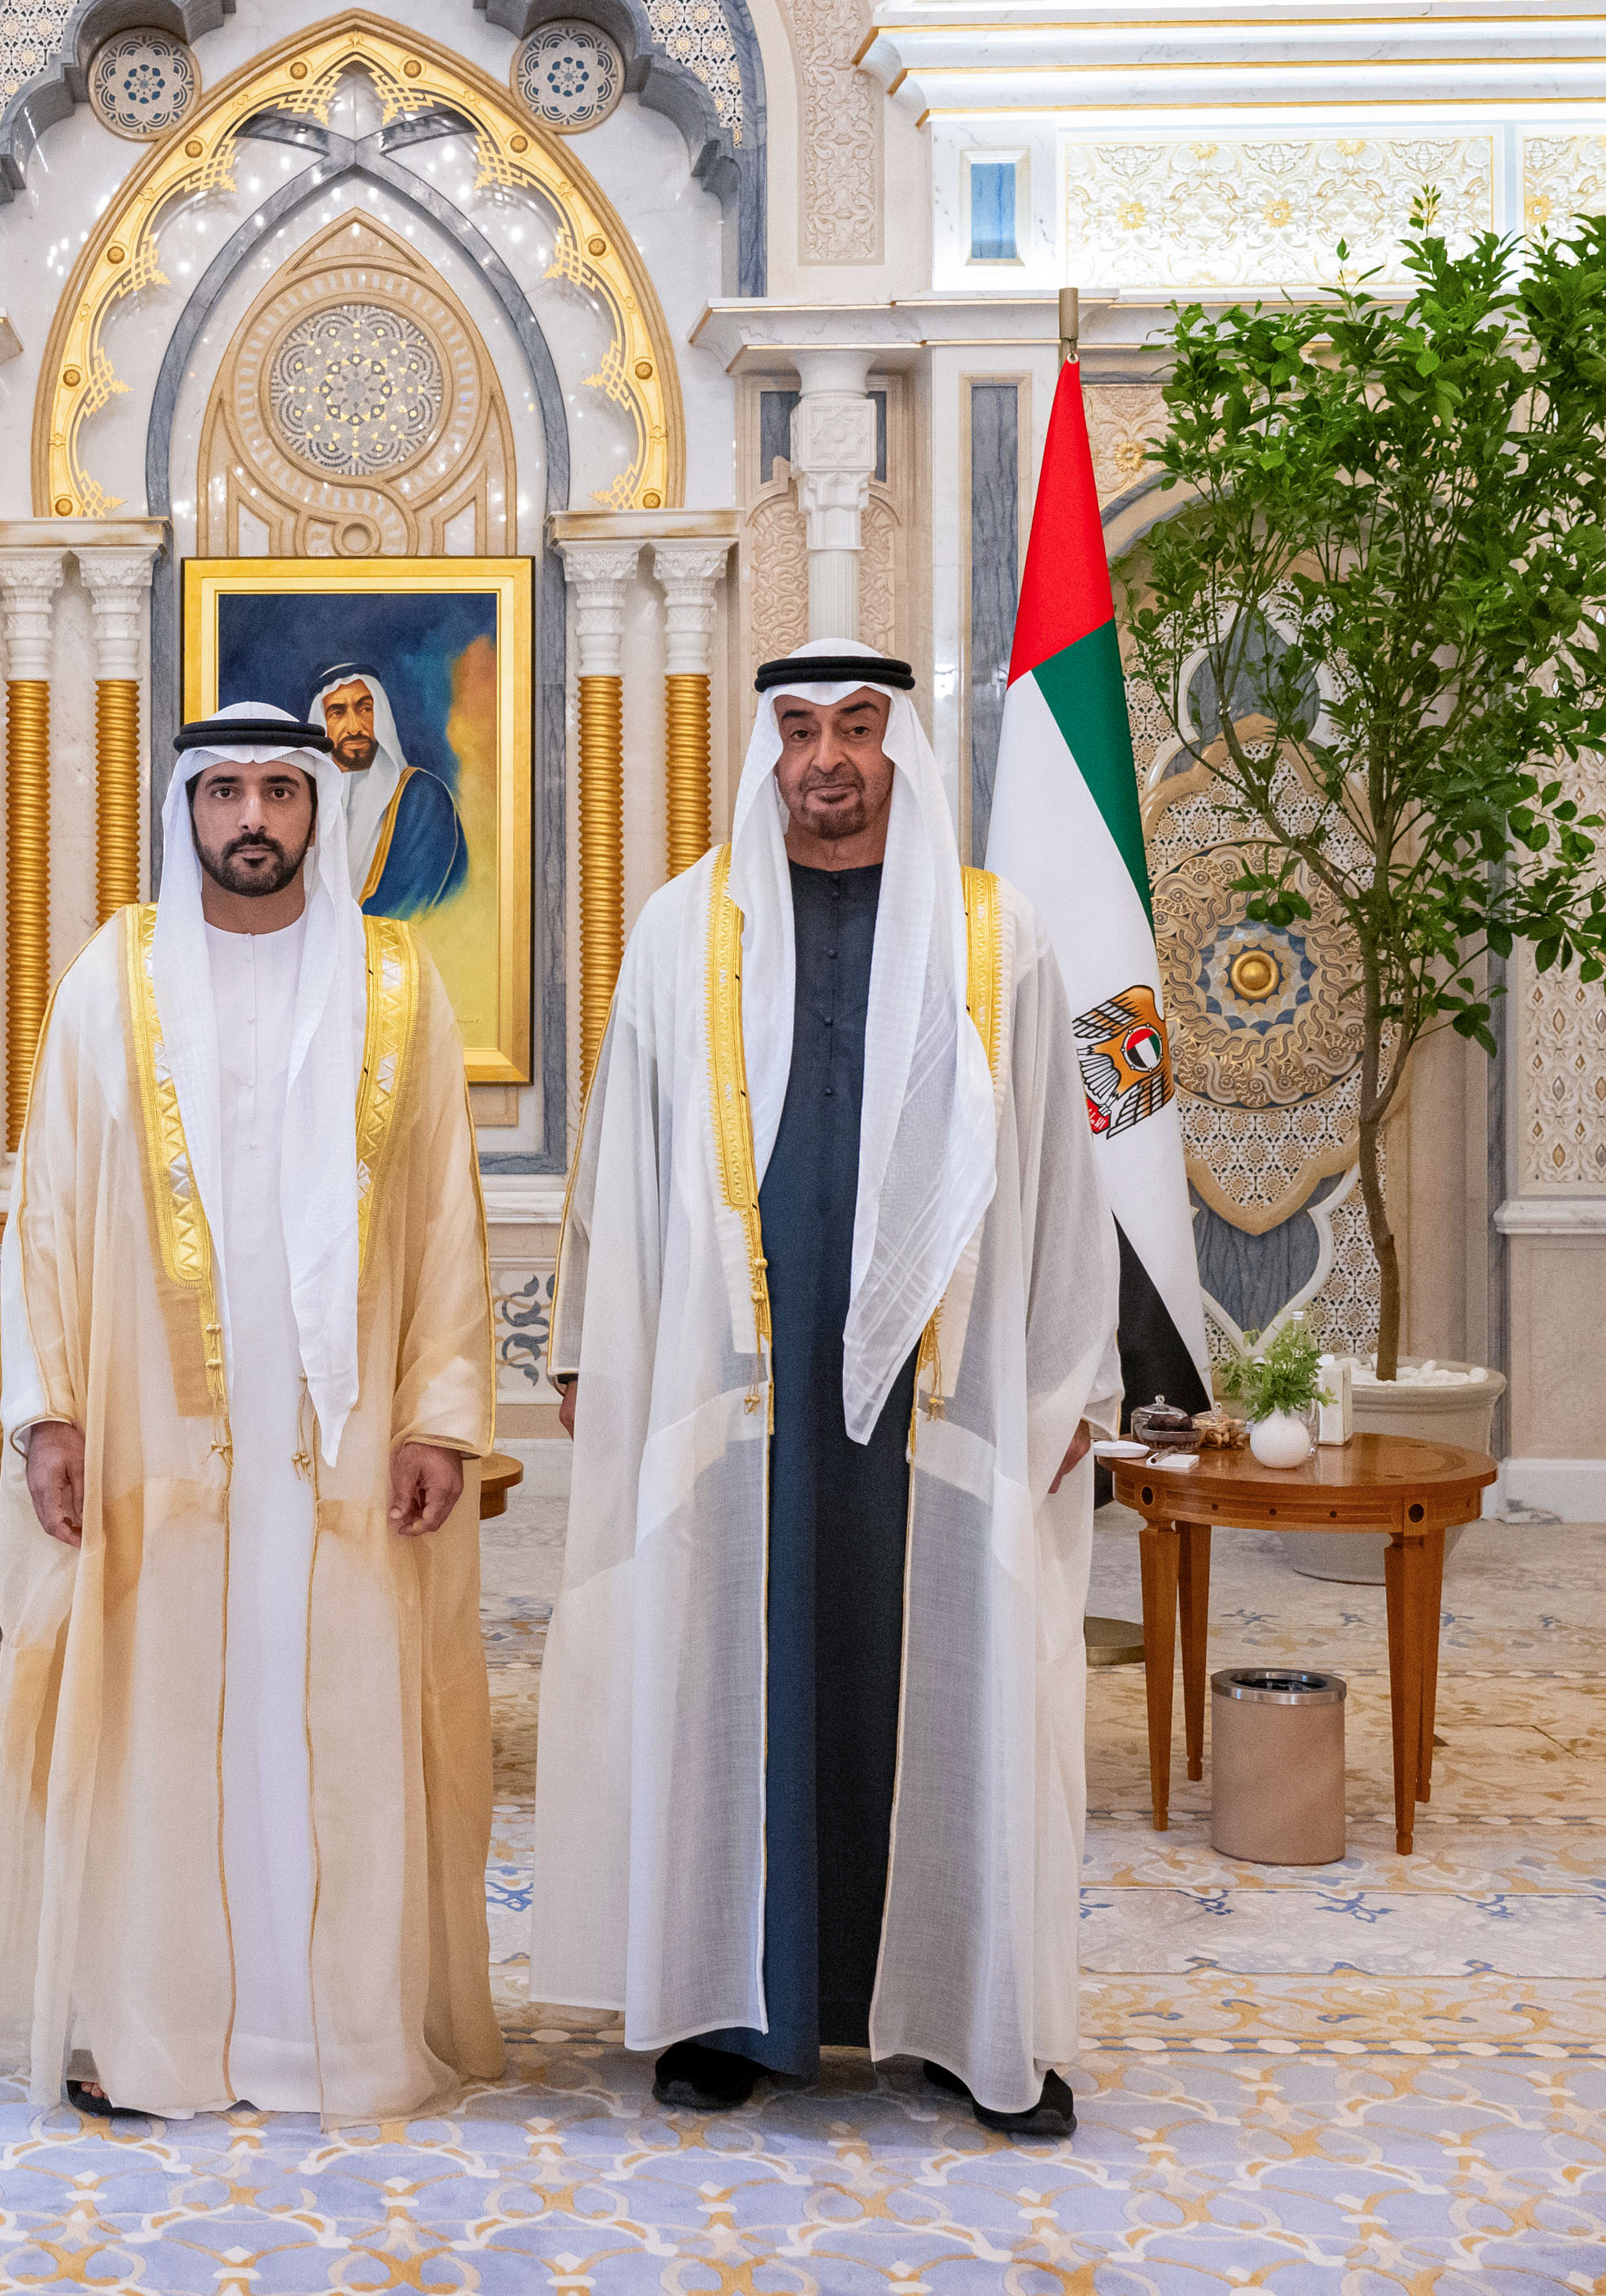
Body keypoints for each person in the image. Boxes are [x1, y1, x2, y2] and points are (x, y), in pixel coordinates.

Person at [536, 640, 1118, 2138]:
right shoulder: (684, 936)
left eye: (858, 728)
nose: (827, 760)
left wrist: (1075, 1379)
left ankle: (957, 2012)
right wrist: (598, 1353)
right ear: (766, 751)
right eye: (799, 730)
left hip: (945, 1403)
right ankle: (731, 2007)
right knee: (734, 1667)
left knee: (958, 1674)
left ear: (902, 750)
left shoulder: (1001, 941)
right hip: (739, 1405)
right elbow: (623, 1168)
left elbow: (1063, 1180)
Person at [0, 702, 501, 2122]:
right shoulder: (110, 979)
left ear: (319, 808)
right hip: (153, 1430)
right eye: (225, 794)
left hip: (343, 1436)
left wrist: (440, 1413)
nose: (251, 820)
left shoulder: (395, 982)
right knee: (151, 1713)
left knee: (333, 1713)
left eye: (278, 793)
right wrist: (49, 1412)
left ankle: (337, 2037)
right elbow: (52, 1212)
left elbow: (446, 1215)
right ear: (187, 807)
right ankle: (149, 2027)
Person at [308, 663, 469, 918]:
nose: (354, 727)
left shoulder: (423, 797)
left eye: (365, 709)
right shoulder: (308, 805)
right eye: (337, 713)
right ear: (322, 723)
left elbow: (419, 904)